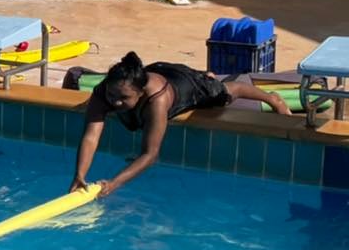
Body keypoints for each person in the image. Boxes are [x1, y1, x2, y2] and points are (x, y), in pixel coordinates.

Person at [70, 51, 289, 197]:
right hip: (158, 68)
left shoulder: (157, 101)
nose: (115, 101)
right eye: (112, 94)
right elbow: (91, 135)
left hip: (183, 85)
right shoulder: (104, 90)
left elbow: (150, 155)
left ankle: (272, 98)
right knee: (119, 107)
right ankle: (205, 75)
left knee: (223, 93)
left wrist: (115, 183)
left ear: (140, 91)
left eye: (124, 97)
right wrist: (79, 175)